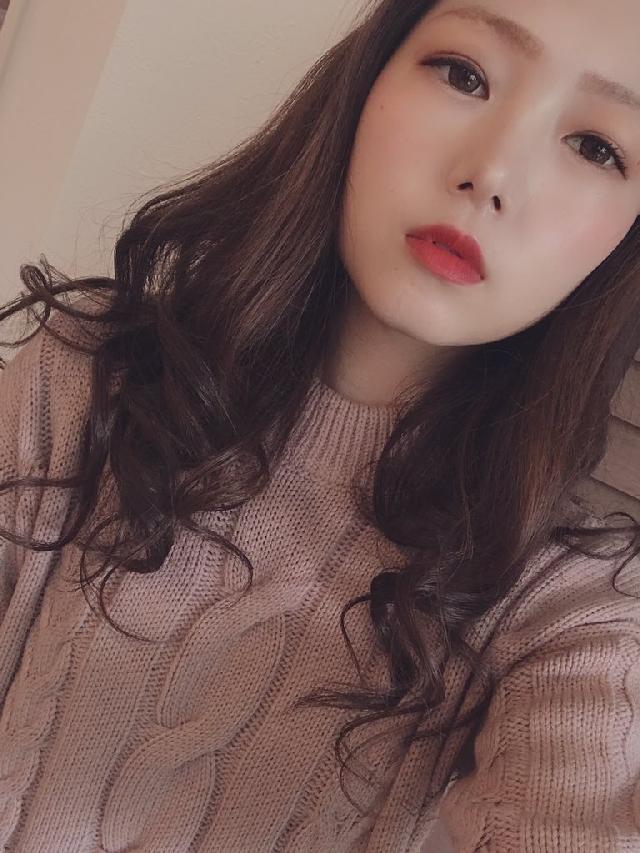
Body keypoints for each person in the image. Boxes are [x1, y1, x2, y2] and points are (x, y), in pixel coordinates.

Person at [0, 0, 639, 850]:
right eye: (465, 74)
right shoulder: (81, 381)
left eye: (597, 146)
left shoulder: (570, 608)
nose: (492, 172)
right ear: (367, 78)